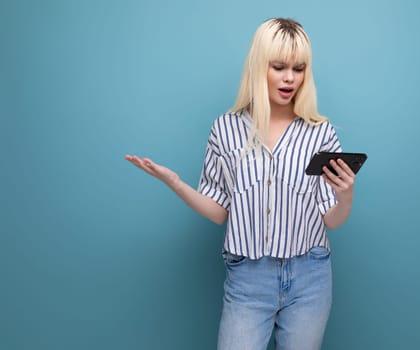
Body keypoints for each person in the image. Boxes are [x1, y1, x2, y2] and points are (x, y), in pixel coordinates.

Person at [125, 17, 356, 350]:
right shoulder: (226, 129)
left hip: (310, 276)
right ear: (259, 66)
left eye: (299, 68)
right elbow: (219, 212)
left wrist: (345, 196)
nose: (290, 78)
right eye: (278, 66)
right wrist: (175, 183)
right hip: (248, 278)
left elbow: (330, 219)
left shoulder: (320, 133)